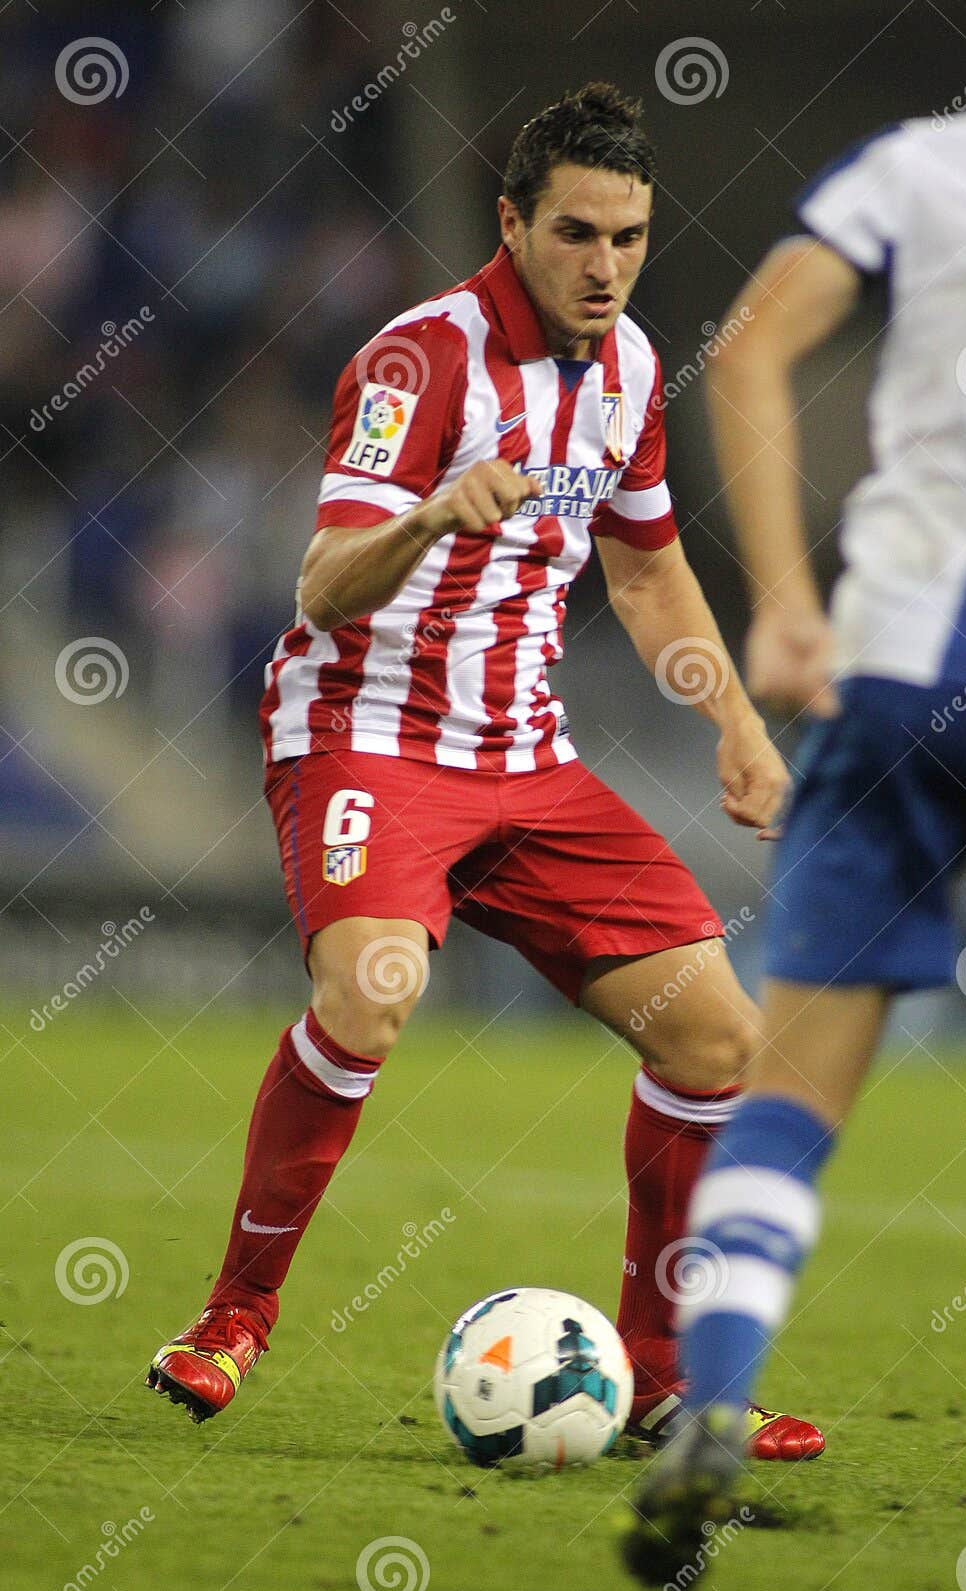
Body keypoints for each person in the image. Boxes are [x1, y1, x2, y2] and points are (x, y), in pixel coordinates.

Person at [145, 83, 822, 1462]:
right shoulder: (420, 362)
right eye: (575, 232)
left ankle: (656, 1375)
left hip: (528, 757)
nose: (604, 265)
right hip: (371, 734)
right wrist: (435, 513)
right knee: (377, 992)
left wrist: (737, 723)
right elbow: (324, 584)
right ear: (512, 223)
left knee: (719, 1039)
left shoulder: (631, 367)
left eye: (628, 237)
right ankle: (232, 1318)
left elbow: (644, 572)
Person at [622, 0, 966, 1587]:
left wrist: (782, 600)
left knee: (792, 1090)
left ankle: (716, 1401)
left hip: (892, 665)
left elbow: (748, 344)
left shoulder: (928, 161)